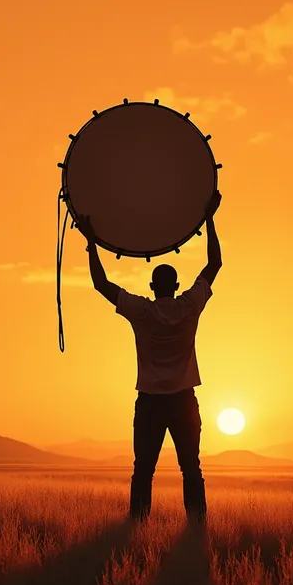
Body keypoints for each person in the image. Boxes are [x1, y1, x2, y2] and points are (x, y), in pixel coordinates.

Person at [78, 190, 222, 522]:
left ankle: (138, 526)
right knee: (191, 468)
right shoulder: (189, 307)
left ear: (153, 286)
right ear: (176, 284)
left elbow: (102, 284)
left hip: (150, 402)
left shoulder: (141, 311)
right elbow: (215, 264)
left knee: (143, 470)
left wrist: (91, 242)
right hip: (184, 401)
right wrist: (210, 217)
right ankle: (197, 527)